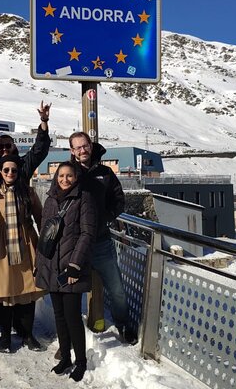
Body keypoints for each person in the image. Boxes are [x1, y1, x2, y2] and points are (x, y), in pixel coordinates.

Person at [0, 99, 51, 337]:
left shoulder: (21, 168)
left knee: (22, 277)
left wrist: (43, 123)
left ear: (15, 150)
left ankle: (19, 323)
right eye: (1, 146)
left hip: (20, 233)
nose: (5, 149)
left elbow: (39, 150)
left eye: (8, 146)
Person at [68, 131, 137, 345]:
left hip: (101, 242)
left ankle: (123, 324)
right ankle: (72, 332)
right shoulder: (68, 173)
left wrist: (104, 218)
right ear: (72, 151)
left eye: (85, 145)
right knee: (72, 290)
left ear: (90, 145)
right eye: (77, 147)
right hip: (75, 244)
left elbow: (118, 200)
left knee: (115, 288)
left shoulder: (105, 173)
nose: (82, 150)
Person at [35, 161, 96, 382]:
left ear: (76, 177)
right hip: (52, 264)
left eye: (69, 176)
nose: (64, 180)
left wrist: (75, 265)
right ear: (55, 176)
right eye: (61, 176)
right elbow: (45, 232)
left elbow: (87, 234)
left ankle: (81, 361)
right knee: (59, 315)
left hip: (71, 267)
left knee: (72, 316)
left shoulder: (84, 198)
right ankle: (66, 357)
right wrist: (40, 262)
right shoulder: (51, 198)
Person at [0, 155, 46, 354]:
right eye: (6, 170)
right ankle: (5, 337)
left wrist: (45, 244)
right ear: (0, 172)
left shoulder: (29, 192)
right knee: (4, 292)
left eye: (14, 170)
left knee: (28, 290)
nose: (10, 173)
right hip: (1, 246)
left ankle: (28, 335)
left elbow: (41, 218)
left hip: (26, 243)